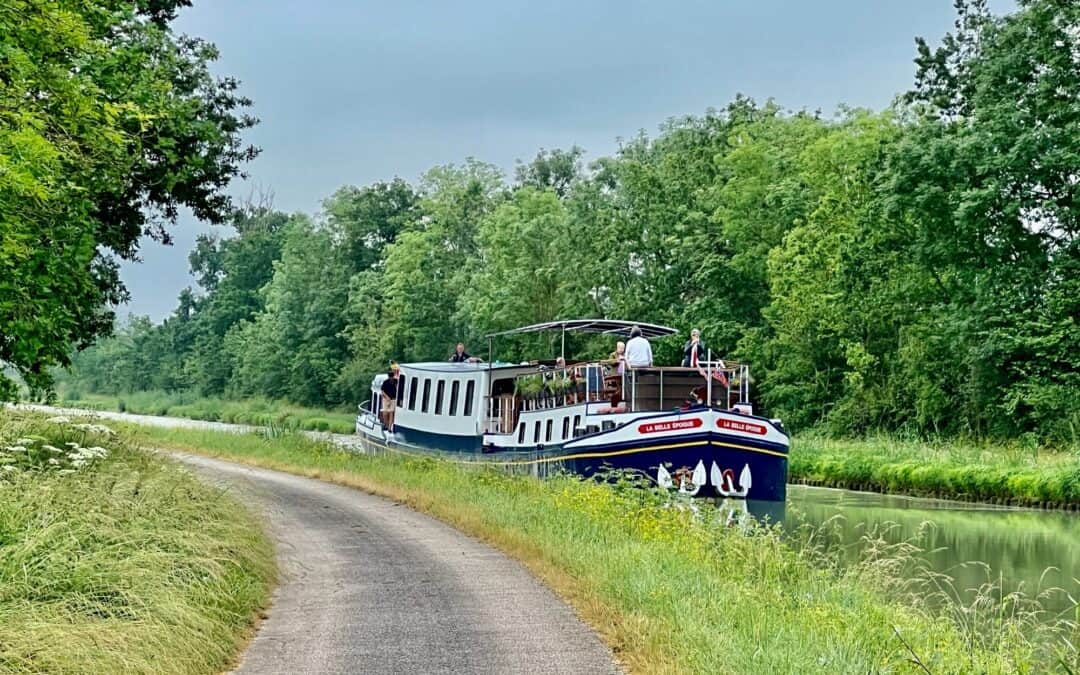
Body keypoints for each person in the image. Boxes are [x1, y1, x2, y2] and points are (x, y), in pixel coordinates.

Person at [380, 364, 399, 433]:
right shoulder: (385, 382)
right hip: (386, 399)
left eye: (392, 377)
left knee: (391, 413)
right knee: (385, 413)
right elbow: (382, 391)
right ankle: (387, 424)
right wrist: (387, 397)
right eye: (390, 377)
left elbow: (398, 388)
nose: (391, 378)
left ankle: (389, 428)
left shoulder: (396, 381)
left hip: (393, 399)